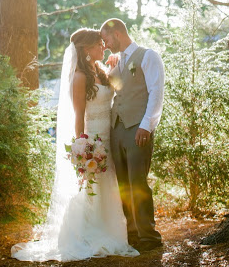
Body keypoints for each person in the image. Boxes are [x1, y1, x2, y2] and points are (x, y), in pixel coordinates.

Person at [11, 28, 139, 262]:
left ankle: (112, 230)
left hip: (110, 135)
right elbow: (78, 115)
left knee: (109, 185)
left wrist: (116, 65)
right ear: (86, 50)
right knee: (93, 187)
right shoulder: (79, 77)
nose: (104, 47)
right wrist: (83, 146)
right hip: (94, 138)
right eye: (99, 44)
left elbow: (120, 88)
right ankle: (89, 234)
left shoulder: (100, 70)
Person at [100, 18, 164, 252]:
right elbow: (116, 90)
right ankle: (131, 234)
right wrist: (110, 69)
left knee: (138, 182)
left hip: (138, 129)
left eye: (106, 39)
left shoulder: (148, 56)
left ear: (117, 33)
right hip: (116, 130)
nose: (105, 44)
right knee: (123, 185)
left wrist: (147, 125)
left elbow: (156, 92)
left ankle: (149, 236)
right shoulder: (116, 62)